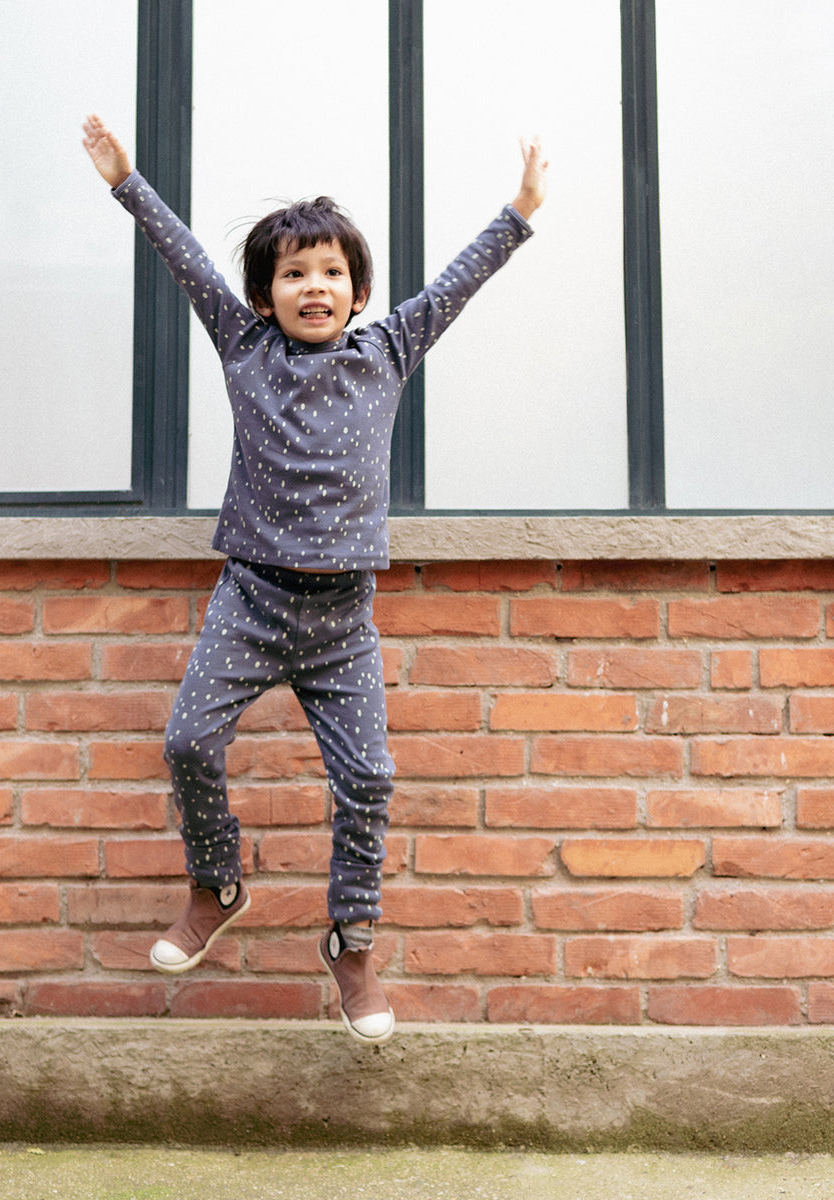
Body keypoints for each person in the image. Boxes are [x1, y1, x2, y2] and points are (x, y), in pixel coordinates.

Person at [82, 113, 548, 1045]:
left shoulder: (389, 349)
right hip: (250, 600)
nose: (314, 286)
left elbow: (458, 284)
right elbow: (189, 264)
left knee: (369, 780)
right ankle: (217, 885)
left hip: (343, 621)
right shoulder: (243, 346)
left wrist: (519, 212)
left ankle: (352, 942)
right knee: (185, 741)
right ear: (265, 297)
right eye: (294, 274)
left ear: (359, 290)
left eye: (331, 271)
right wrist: (127, 182)